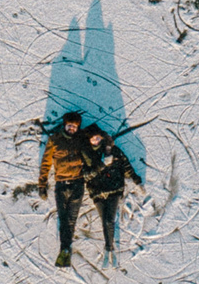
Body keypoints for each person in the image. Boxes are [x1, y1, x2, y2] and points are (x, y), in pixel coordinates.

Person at [39, 112, 90, 267]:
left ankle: (65, 250)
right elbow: (46, 163)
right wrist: (42, 184)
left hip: (77, 184)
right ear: (64, 125)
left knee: (71, 219)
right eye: (70, 126)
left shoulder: (82, 139)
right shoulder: (55, 140)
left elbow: (95, 146)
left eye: (75, 127)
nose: (72, 129)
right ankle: (65, 249)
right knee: (63, 218)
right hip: (61, 184)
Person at [82, 125, 137, 262]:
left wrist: (133, 176)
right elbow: (85, 176)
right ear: (89, 140)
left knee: (109, 220)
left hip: (114, 189)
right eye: (93, 139)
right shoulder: (85, 154)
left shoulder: (112, 150)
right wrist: (101, 166)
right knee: (104, 220)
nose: (96, 141)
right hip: (97, 192)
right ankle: (109, 248)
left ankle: (109, 248)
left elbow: (125, 163)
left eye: (98, 138)